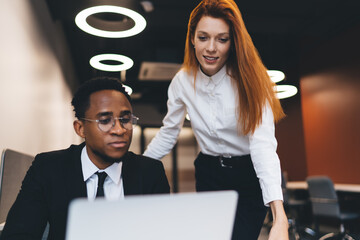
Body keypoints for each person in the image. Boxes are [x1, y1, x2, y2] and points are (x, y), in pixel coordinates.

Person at [143, 0, 288, 239]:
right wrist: (136, 166)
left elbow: (263, 147)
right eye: (203, 37)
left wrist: (279, 217)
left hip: (247, 175)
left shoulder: (252, 81)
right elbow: (169, 132)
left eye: (222, 39)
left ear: (233, 42)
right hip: (209, 172)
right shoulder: (182, 81)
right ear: (192, 38)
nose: (211, 48)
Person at [0, 77, 170, 240]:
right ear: (80, 128)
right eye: (105, 121)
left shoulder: (150, 172)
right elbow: (18, 234)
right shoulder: (48, 168)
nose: (119, 130)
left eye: (125, 120)